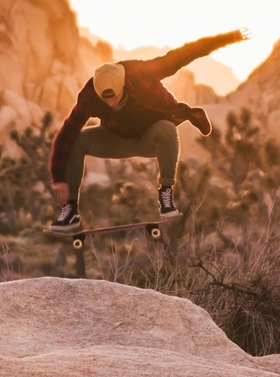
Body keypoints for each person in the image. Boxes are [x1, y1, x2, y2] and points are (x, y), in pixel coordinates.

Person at [48, 28, 249, 231]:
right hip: (117, 140)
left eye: (114, 97)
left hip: (150, 139)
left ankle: (165, 195)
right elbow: (67, 131)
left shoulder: (141, 73)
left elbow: (185, 54)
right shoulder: (89, 95)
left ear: (123, 84)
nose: (110, 103)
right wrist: (59, 178)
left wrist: (228, 38)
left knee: (167, 127)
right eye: (105, 99)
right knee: (78, 139)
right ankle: (71, 210)